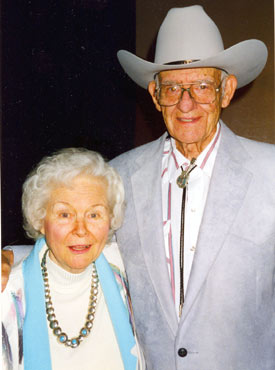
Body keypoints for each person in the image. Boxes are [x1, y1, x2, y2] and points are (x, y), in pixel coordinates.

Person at [2, 5, 275, 370]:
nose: (186, 103)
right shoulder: (120, 176)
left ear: (226, 91)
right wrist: (11, 258)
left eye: (202, 86)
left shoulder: (270, 172)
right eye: (173, 88)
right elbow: (82, 242)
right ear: (154, 94)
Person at [2, 148, 144, 370]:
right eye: (65, 214)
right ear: (40, 219)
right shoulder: (8, 296)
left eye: (94, 214)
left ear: (111, 220)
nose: (81, 230)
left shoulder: (123, 272)